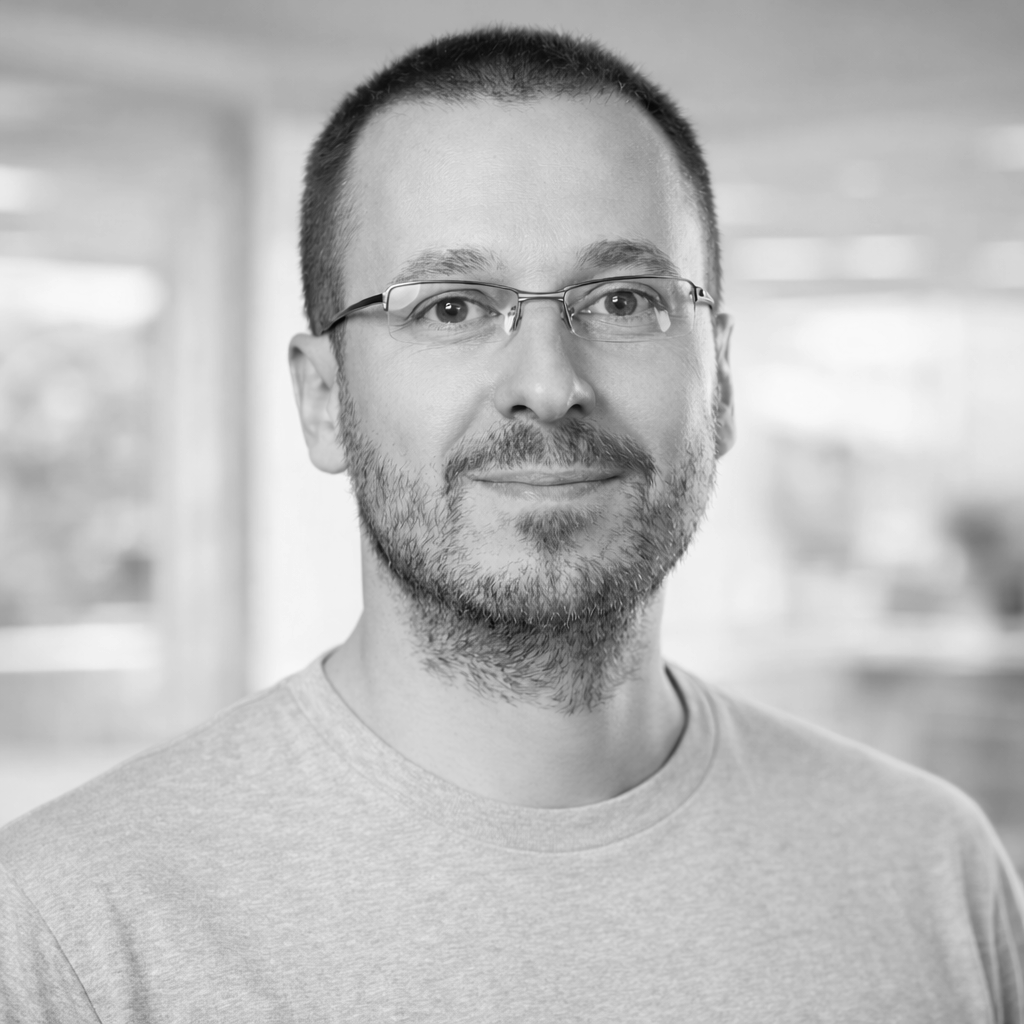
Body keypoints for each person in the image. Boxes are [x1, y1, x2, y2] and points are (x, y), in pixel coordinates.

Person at [2, 26, 1022, 1022]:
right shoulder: (71, 934)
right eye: (450, 307)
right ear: (322, 398)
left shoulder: (932, 869)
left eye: (622, 299)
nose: (546, 383)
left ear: (719, 382)